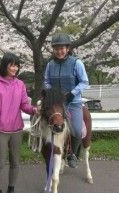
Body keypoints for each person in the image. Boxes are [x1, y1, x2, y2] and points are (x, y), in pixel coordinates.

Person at [0, 52, 38, 193]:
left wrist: (35, 110)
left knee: (15, 163)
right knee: (0, 163)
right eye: (12, 65)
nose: (15, 68)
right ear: (5, 66)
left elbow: (24, 105)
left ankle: (11, 189)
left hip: (17, 130)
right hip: (0, 131)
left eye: (17, 65)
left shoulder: (20, 84)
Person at [44, 32, 89, 168]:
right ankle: (42, 147)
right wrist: (51, 91)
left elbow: (84, 81)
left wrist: (72, 93)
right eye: (56, 48)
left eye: (62, 48)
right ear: (54, 49)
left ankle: (73, 154)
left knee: (76, 129)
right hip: (56, 104)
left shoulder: (77, 63)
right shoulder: (50, 65)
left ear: (67, 48)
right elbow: (46, 81)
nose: (59, 51)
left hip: (73, 102)